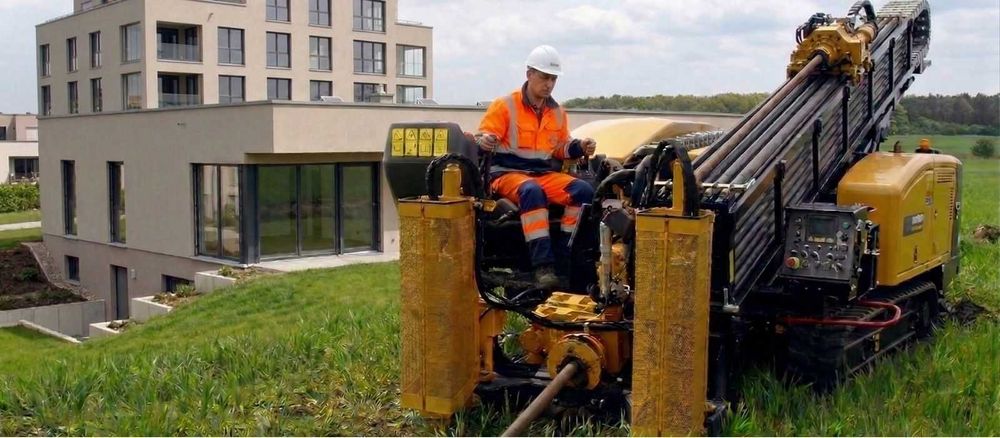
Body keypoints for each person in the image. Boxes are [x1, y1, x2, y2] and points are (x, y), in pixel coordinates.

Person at [476, 45, 598, 288]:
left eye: (553, 79)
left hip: (542, 174)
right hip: (506, 174)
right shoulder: (505, 106)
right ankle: (543, 266)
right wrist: (485, 141)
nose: (549, 84)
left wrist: (580, 147)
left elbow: (560, 147)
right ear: (529, 74)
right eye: (544, 77)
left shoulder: (558, 113)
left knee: (583, 191)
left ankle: (565, 255)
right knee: (532, 190)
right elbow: (483, 138)